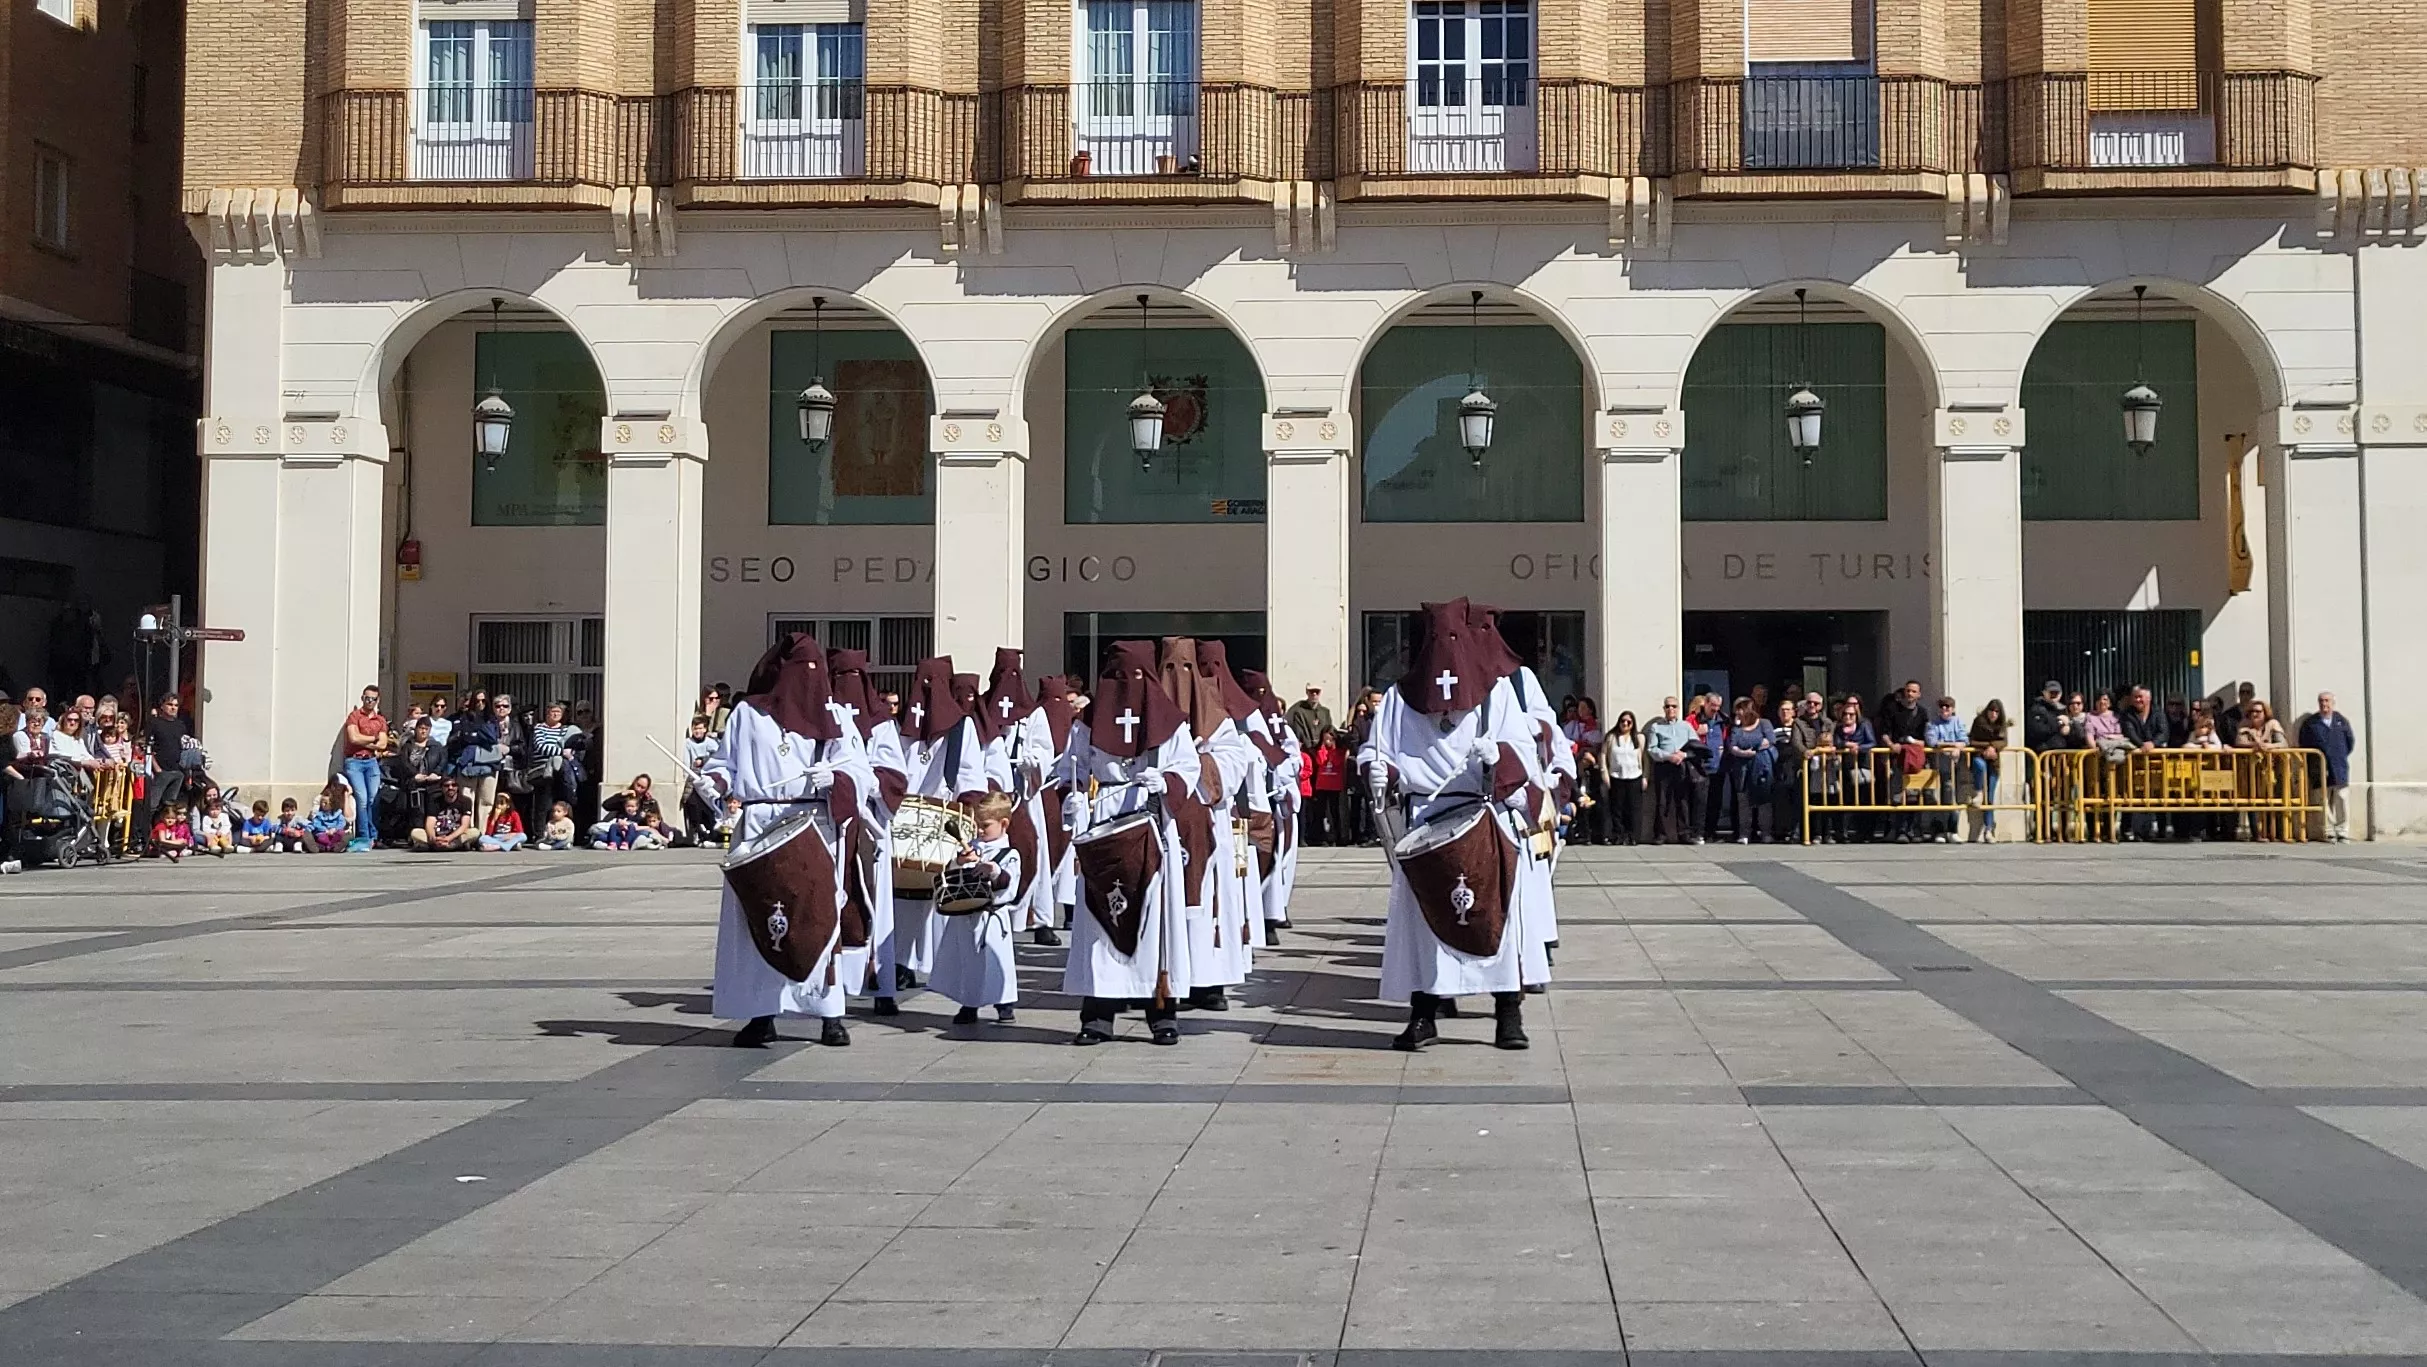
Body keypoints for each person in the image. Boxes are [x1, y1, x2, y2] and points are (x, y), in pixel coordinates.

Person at [1358, 598, 1552, 1052]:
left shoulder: (1495, 693)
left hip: (1485, 816)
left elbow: (1524, 751)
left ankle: (1508, 1015)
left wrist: (1498, 758)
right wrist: (1379, 770)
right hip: (1426, 821)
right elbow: (1377, 749)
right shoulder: (1399, 698)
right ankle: (1424, 1015)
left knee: (1497, 919)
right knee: (1426, 924)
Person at [701, 633, 886, 1049]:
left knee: (815, 919)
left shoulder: (835, 714)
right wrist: (713, 782)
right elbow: (726, 763)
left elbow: (861, 771)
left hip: (811, 825)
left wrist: (835, 779)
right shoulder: (748, 714)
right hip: (759, 822)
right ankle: (761, 1013)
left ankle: (829, 1015)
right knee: (759, 918)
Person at [1057, 640, 1203, 1047]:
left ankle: (1162, 1015)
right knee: (1101, 921)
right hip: (1105, 821)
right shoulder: (1087, 722)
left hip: (1150, 820)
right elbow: (1071, 768)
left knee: (1155, 923)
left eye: (1136, 676)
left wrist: (1167, 781)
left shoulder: (1169, 723)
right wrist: (1072, 796)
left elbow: (1188, 767)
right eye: (1117, 677)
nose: (1126, 686)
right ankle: (1098, 1016)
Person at [890, 658, 993, 997]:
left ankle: (939, 966)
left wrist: (968, 809)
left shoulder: (961, 728)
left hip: (943, 820)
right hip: (902, 820)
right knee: (903, 897)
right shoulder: (900, 725)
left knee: (940, 894)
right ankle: (900, 963)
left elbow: (970, 774)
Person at [828, 646, 910, 1010]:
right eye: (839, 677)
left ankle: (881, 983)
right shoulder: (822, 715)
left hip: (870, 820)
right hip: (832, 820)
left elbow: (895, 773)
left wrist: (868, 783)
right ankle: (833, 982)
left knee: (875, 900)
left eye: (853, 677)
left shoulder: (880, 722)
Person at [934, 791, 1022, 1026]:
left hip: (991, 918)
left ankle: (1004, 1003)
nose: (980, 830)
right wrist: (959, 862)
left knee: (996, 962)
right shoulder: (972, 847)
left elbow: (1009, 883)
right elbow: (951, 875)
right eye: (977, 825)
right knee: (969, 963)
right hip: (966, 915)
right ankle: (969, 1004)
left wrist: (993, 871)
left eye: (986, 825)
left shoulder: (1009, 854)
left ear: (1004, 824)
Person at [1240, 669, 1303, 942]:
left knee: (1278, 859)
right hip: (1253, 801)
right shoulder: (1240, 722)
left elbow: (1293, 757)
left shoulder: (1280, 725)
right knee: (1253, 863)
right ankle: (1258, 918)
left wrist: (1282, 770)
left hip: (1277, 801)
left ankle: (1274, 913)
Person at [2300, 691, 2358, 843]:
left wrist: (2340, 756)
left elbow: (2350, 742)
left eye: (2327, 701)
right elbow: (2303, 743)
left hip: (2339, 767)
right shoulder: (2311, 723)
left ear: (2333, 703)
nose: (2324, 704)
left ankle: (2342, 831)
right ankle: (2329, 831)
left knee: (2341, 799)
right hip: (2319, 768)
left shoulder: (2341, 721)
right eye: (2321, 701)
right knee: (2323, 800)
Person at [1821, 695, 1878, 843]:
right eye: (1845, 714)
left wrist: (1859, 747)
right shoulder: (1838, 727)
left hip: (1861, 766)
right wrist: (1846, 745)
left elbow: (1872, 742)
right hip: (1843, 768)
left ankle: (1864, 832)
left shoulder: (1864, 725)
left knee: (1864, 799)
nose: (1848, 717)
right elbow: (1835, 741)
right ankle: (1842, 832)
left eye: (1851, 714)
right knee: (1843, 800)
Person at [340, 684, 391, 843]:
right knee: (362, 798)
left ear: (378, 700)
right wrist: (374, 739)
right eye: (367, 698)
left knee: (373, 799)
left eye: (373, 699)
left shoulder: (380, 720)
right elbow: (353, 738)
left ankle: (374, 835)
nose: (370, 701)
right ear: (362, 698)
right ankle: (364, 835)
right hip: (354, 761)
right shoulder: (354, 716)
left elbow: (383, 744)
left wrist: (365, 741)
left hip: (372, 762)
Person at [1644, 697, 1698, 844]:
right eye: (1667, 706)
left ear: (1678, 708)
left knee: (1682, 800)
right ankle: (1661, 834)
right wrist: (1669, 756)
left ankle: (1684, 833)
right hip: (1664, 766)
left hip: (1682, 765)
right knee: (1662, 801)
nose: (1671, 709)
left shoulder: (1686, 726)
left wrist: (1683, 755)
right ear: (1664, 709)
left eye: (1674, 706)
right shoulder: (1656, 727)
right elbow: (1652, 749)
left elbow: (1696, 746)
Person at [1722, 697, 1775, 844]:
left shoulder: (1764, 723)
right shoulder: (1736, 728)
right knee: (1743, 800)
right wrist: (1743, 752)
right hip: (1742, 768)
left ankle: (1766, 833)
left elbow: (1769, 740)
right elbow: (1732, 746)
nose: (1737, 713)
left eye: (1740, 709)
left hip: (1761, 766)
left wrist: (1751, 747)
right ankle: (1744, 833)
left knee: (1764, 800)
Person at [389, 716, 449, 839]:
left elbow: (442, 761)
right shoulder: (408, 745)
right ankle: (417, 837)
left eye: (426, 729)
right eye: (421, 728)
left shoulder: (436, 746)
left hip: (432, 785)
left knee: (431, 812)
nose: (423, 731)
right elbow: (404, 762)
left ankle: (432, 836)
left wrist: (435, 773)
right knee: (416, 812)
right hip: (413, 784)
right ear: (416, 729)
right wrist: (415, 774)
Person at [1602, 710, 1646, 845]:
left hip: (1635, 776)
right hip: (1616, 776)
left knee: (1634, 809)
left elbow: (1645, 758)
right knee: (1617, 808)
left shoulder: (1639, 738)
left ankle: (1633, 836)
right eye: (1623, 721)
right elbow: (1603, 755)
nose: (1625, 724)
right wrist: (1604, 773)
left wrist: (1645, 777)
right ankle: (1618, 835)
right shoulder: (1611, 737)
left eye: (1629, 722)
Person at [1566, 697, 1607, 844]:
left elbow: (1599, 742)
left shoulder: (1596, 725)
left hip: (1592, 768)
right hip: (1578, 764)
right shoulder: (1572, 726)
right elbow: (1566, 742)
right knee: (1580, 799)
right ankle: (1582, 832)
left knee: (1596, 800)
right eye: (1579, 708)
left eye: (1584, 707)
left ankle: (1597, 833)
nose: (1581, 710)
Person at [1967, 700, 2009, 843]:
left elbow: (2004, 741)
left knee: (1990, 798)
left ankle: (1989, 828)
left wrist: (1993, 748)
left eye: (1997, 711)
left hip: (1994, 762)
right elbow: (1971, 740)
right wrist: (1987, 747)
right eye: (1991, 710)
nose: (1993, 714)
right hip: (1980, 756)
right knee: (1980, 766)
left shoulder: (2002, 724)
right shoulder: (1979, 722)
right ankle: (1978, 791)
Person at [1767, 700, 1804, 843]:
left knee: (1796, 800)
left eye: (1788, 709)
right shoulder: (1772, 729)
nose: (1785, 712)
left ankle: (1796, 831)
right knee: (1781, 800)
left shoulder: (1799, 727)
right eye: (1782, 709)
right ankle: (1781, 830)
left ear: (1794, 712)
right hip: (1778, 768)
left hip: (1794, 767)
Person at [411, 778, 479, 852]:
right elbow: (430, 822)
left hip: (455, 836)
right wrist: (433, 837)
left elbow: (464, 825)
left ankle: (444, 846)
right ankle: (448, 845)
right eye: (446, 785)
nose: (450, 788)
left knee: (474, 832)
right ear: (442, 788)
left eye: (454, 785)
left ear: (457, 787)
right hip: (437, 835)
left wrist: (448, 838)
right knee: (415, 832)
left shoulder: (466, 801)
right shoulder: (434, 801)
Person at [1307, 727, 1348, 845]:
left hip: (1335, 785)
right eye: (1325, 739)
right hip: (1322, 785)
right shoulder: (1320, 750)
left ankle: (1338, 836)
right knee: (1321, 812)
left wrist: (1333, 749)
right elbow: (1320, 761)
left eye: (1330, 739)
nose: (1327, 741)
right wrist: (1323, 748)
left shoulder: (1340, 751)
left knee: (1335, 812)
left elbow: (1336, 762)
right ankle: (1320, 837)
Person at [1285, 685, 1333, 753]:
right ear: (1307, 692)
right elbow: (1299, 732)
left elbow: (1329, 730)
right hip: (1305, 750)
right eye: (1311, 691)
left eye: (1317, 692)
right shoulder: (1299, 711)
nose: (1314, 694)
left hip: (1322, 751)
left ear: (1320, 693)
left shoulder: (1325, 712)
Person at [307, 782, 351, 852]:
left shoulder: (337, 813)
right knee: (320, 837)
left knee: (341, 834)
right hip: (324, 833)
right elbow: (316, 824)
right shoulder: (319, 814)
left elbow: (342, 823)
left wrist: (335, 829)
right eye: (322, 803)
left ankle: (333, 846)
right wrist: (325, 831)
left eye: (325, 803)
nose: (323, 805)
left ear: (331, 803)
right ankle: (327, 846)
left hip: (334, 833)